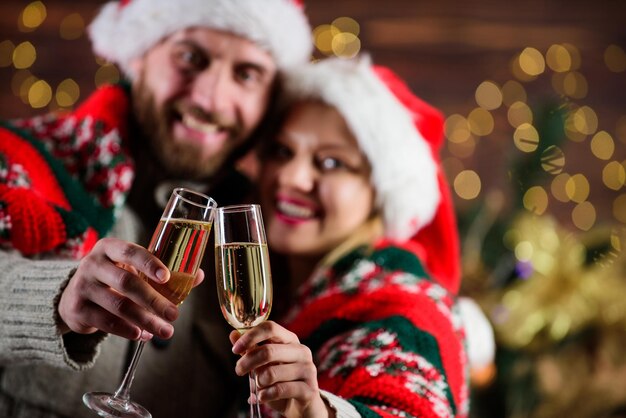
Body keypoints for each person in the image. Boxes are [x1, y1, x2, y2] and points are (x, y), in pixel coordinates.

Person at [0, 0, 312, 417]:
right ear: (140, 55)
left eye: (247, 73)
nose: (211, 99)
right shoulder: (17, 158)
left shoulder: (282, 227)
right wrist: (54, 298)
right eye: (189, 57)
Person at [229, 56, 469, 417]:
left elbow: (406, 406)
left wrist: (316, 411)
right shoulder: (266, 285)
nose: (292, 177)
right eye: (282, 151)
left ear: (379, 191)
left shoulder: (406, 307)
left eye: (330, 163)